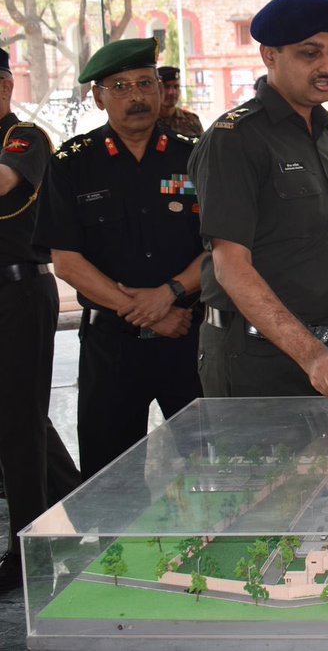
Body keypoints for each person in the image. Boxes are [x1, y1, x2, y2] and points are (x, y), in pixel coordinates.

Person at [34, 38, 204, 479]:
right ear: (99, 96)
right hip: (111, 347)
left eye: (145, 83)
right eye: (121, 86)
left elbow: (220, 250)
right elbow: (67, 262)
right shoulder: (73, 164)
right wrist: (149, 314)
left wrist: (169, 294)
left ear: (160, 89)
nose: (136, 97)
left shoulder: (195, 158)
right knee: (109, 482)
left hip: (190, 341)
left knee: (212, 468)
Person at [189, 0, 328, 399]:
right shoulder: (235, 139)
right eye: (309, 54)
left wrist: (322, 351)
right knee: (260, 466)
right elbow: (231, 266)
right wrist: (311, 354)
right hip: (254, 356)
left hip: (326, 349)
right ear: (270, 56)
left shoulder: (327, 134)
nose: (327, 67)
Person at [0, 47, 81, 590]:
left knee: (18, 425)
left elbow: (5, 183)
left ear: (5, 85)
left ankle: (31, 549)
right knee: (16, 414)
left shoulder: (22, 137)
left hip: (19, 292)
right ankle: (75, 502)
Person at [156, 65, 203, 137]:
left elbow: (203, 147)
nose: (172, 92)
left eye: (176, 87)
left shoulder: (191, 121)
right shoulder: (147, 122)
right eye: (166, 87)